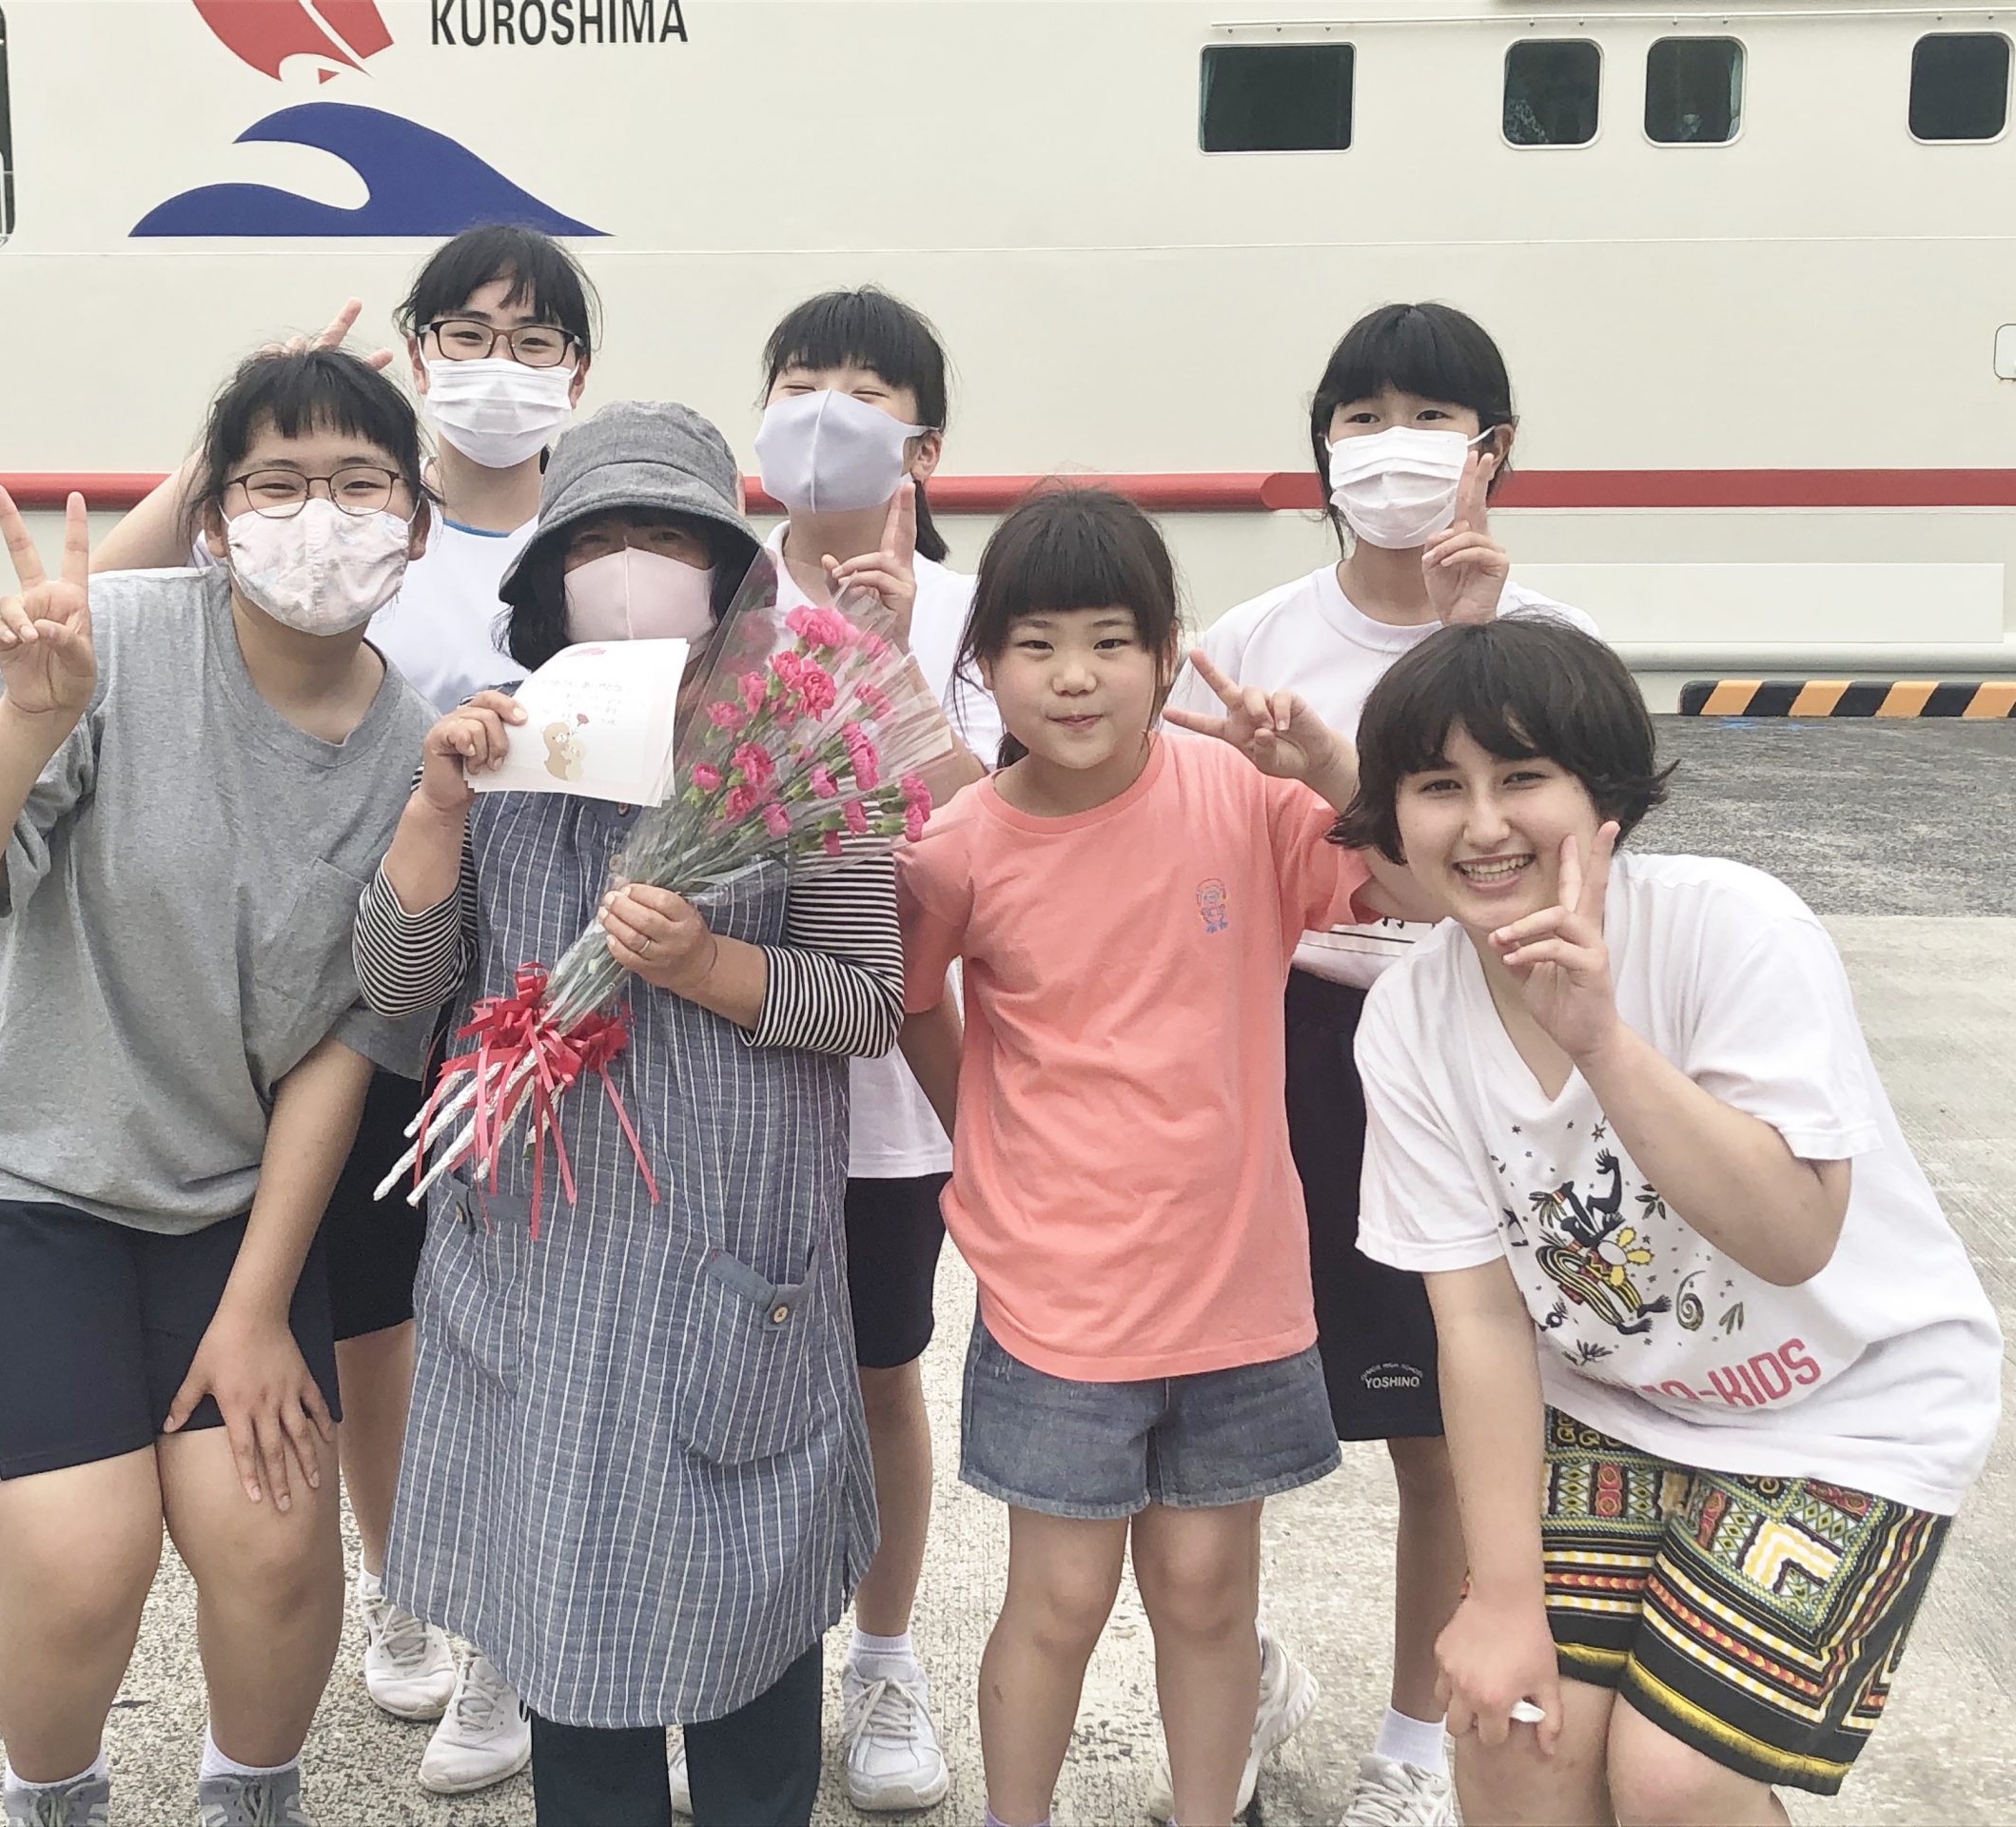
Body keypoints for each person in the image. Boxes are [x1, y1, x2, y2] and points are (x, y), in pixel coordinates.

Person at [0, 345, 440, 1827]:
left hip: (218, 1189)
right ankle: (52, 1799)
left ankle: (253, 1798)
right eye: (277, 484)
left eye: (360, 483)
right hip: (4, 1166)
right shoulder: (101, 641)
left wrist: (256, 1307)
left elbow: (346, 1042)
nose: (320, 517)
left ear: (418, 524)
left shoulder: (419, 750)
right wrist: (27, 720)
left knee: (276, 1542)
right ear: (214, 519)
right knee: (83, 1566)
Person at [1336, 617, 1999, 1825]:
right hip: (1613, 1408)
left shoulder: (1731, 928)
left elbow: (1792, 1238)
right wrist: (1501, 1601)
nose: (1481, 824)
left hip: (1846, 1405)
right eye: (1437, 787)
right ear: (1392, 817)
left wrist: (1602, 1040)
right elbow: (1478, 1323)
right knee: (1511, 1736)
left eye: (1520, 776)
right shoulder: (1408, 1022)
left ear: (1605, 795)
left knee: (1672, 1778)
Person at [92, 223, 598, 1799]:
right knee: (379, 1331)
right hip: (369, 996)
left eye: (534, 338)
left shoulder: (604, 531)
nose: (499, 365)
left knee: (527, 1327)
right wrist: (224, 448)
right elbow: (102, 612)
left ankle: (509, 1628)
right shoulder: (341, 525)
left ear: (580, 372)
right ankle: (412, 1585)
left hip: (560, 1006)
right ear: (419, 351)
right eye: (468, 333)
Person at [353, 399, 903, 1827]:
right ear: (547, 582)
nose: (633, 568)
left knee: (751, 1642)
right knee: (570, 1647)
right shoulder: (497, 748)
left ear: (727, 572)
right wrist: (433, 812)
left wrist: (712, 968)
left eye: (669, 537)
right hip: (541, 1279)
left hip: (732, 1270)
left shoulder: (808, 755)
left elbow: (867, 1003)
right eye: (599, 541)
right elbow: (399, 992)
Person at [896, 485, 1434, 1827]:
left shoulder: (1241, 796)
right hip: (1059, 1295)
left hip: (1236, 1283)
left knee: (1206, 1590)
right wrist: (985, 1142)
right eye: (1034, 644)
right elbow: (908, 1003)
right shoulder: (957, 849)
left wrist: (1330, 767)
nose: (1074, 677)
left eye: (1110, 640)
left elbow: (1422, 885)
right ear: (984, 666)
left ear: (1166, 649)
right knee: (1060, 1597)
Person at [1159, 300, 1598, 1826]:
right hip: (1291, 1039)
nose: (1390, 444)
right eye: (1360, 416)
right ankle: (1233, 1685)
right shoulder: (1249, 646)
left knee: (1439, 1432)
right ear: (1323, 449)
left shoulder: (1552, 648)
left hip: (1487, 1045)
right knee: (1227, 1415)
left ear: (1494, 450)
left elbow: (1572, 878)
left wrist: (1467, 644)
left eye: (1428, 416)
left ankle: (1415, 1743)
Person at [702, 285, 1001, 1816]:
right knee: (708, 1370)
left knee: (883, 1370)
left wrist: (888, 670)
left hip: (892, 1088)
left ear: (924, 447)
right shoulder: (702, 592)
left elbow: (1003, 844)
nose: (825, 408)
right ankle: (717, 1659)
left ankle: (883, 1661)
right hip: (721, 1058)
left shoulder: (978, 617)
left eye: (865, 389)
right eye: (799, 378)